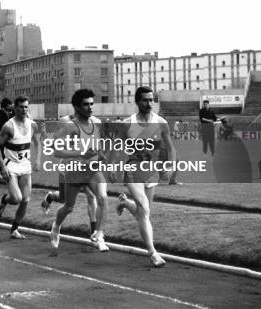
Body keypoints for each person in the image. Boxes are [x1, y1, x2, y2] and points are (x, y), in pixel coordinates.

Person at [42, 89, 110, 253]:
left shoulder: (97, 122)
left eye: (92, 104)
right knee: (68, 206)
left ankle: (98, 235)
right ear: (77, 107)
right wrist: (81, 153)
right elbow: (57, 152)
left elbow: (100, 146)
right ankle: (56, 226)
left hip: (92, 169)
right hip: (73, 169)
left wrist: (102, 156)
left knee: (103, 198)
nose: (90, 107)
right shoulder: (70, 127)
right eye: (86, 104)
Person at [116, 86, 177, 267]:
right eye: (145, 100)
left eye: (151, 100)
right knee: (143, 207)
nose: (149, 103)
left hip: (151, 172)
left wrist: (171, 164)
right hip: (133, 170)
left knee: (144, 212)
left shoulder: (161, 122)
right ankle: (153, 252)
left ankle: (126, 203)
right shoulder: (128, 123)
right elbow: (117, 146)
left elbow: (171, 148)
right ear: (137, 102)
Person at [0, 96, 41, 239]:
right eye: (21, 107)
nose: (24, 109)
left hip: (25, 166)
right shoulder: (9, 126)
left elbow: (37, 142)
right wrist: (2, 167)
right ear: (15, 108)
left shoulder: (32, 125)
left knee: (25, 200)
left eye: (26, 107)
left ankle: (14, 229)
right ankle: (4, 199)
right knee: (17, 198)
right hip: (11, 166)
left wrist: (37, 160)